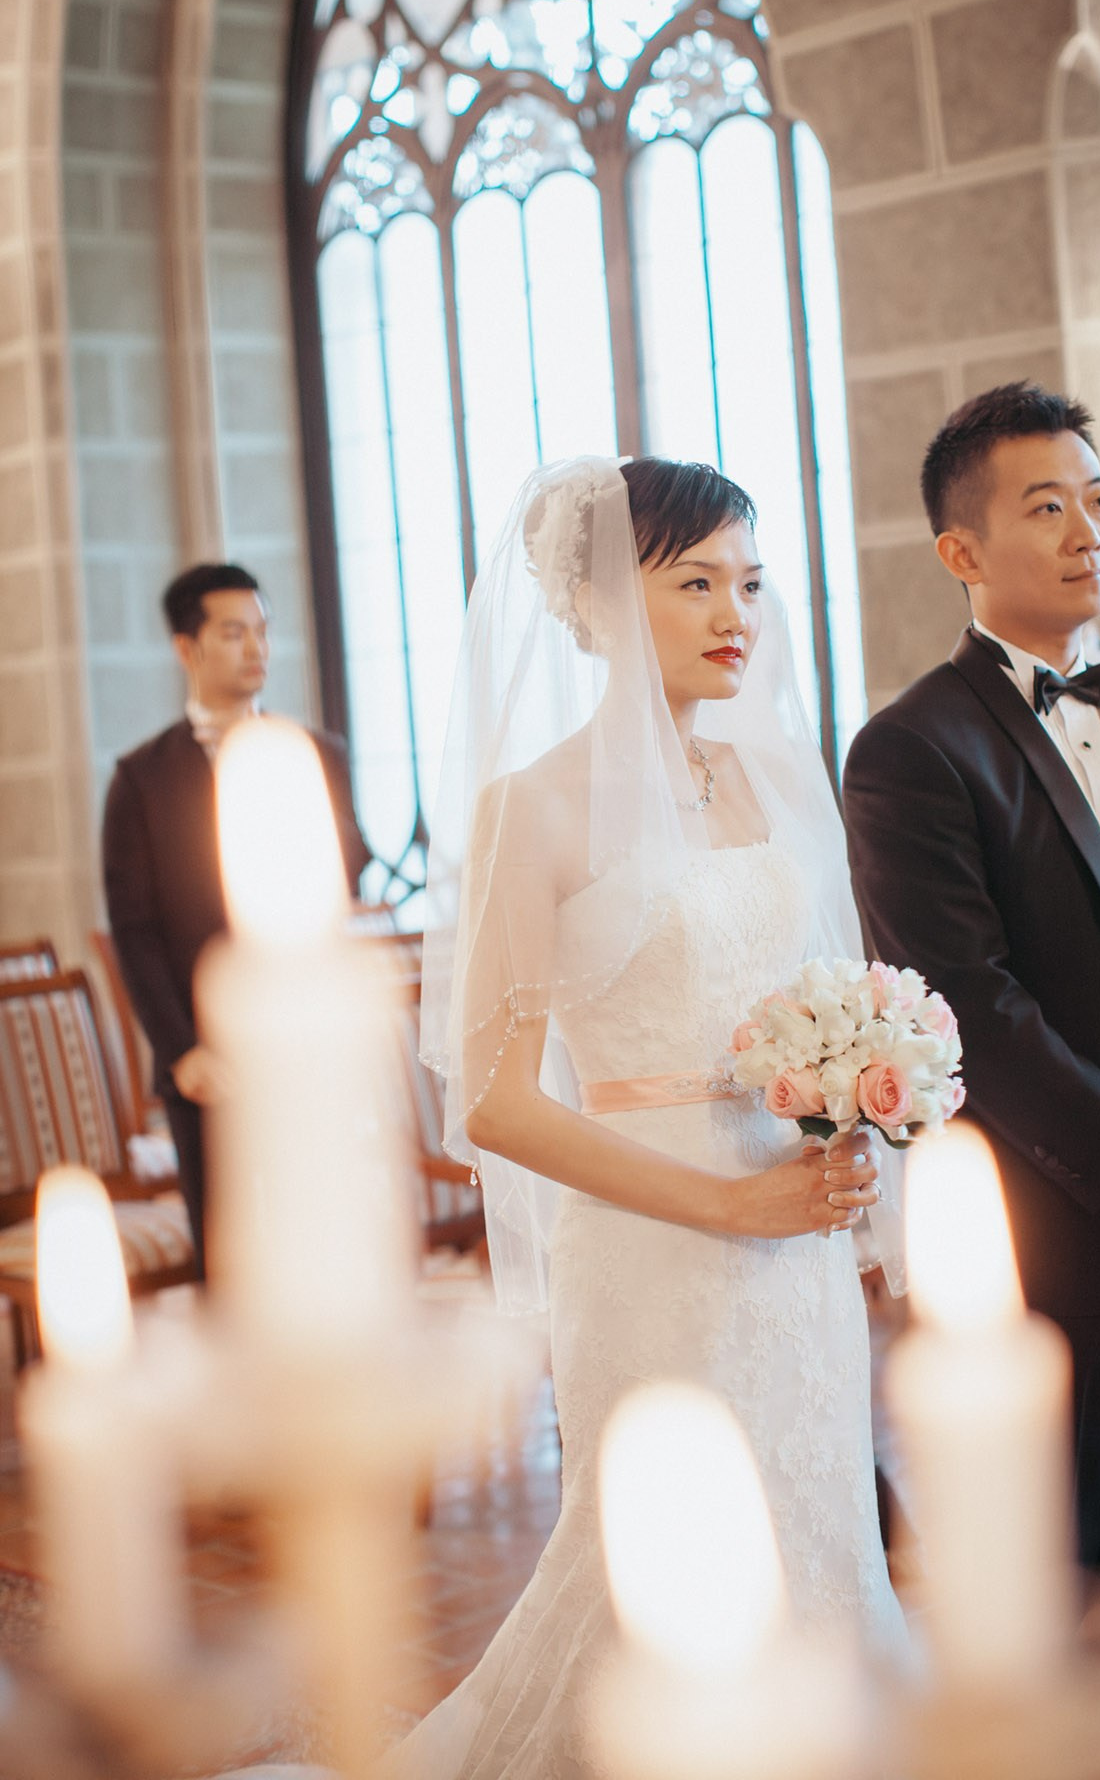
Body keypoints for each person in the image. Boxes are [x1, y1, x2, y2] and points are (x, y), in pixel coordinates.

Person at [369, 456, 906, 1778]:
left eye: (752, 584)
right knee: (666, 1567)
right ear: (600, 604)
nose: (738, 614)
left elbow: (828, 998)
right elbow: (489, 1103)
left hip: (797, 1239)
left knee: (824, 1530)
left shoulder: (770, 783)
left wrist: (859, 1184)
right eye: (697, 583)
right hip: (649, 1243)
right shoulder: (531, 809)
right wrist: (728, 1202)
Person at [842, 383, 1100, 1780]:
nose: (1091, 526)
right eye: (1047, 503)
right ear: (960, 552)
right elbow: (972, 1002)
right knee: (1047, 1583)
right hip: (1049, 1231)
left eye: (1098, 495)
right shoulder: (912, 749)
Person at [102, 561, 371, 1275]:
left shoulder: (315, 754)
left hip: (309, 1041)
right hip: (206, 1057)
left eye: (262, 631)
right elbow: (134, 929)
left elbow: (351, 869)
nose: (256, 648)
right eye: (232, 633)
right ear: (185, 648)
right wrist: (182, 1049)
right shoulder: (141, 778)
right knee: (231, 1255)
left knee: (325, 1247)